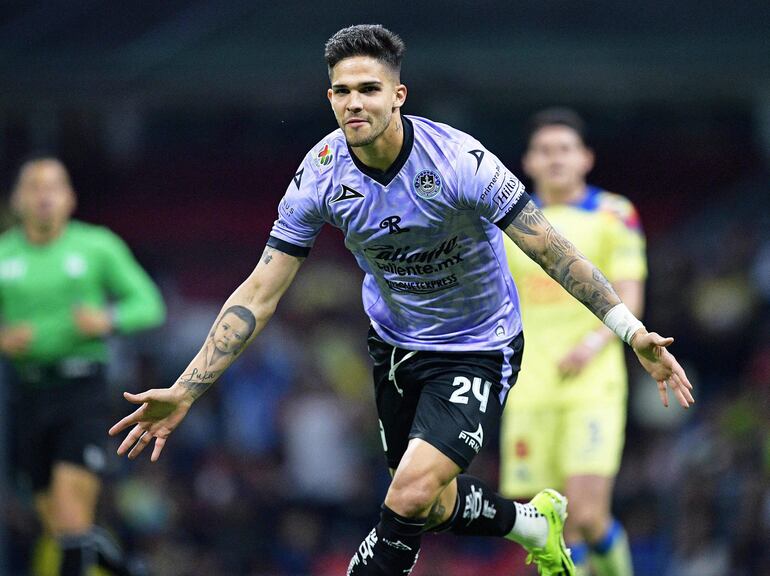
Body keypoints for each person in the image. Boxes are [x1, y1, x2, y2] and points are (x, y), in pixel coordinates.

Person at [109, 25, 693, 576]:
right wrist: (186, 388)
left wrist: (628, 329)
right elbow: (260, 292)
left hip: (479, 346)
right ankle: (533, 525)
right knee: (429, 504)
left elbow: (554, 252)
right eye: (342, 91)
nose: (354, 103)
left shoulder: (461, 163)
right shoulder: (319, 175)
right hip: (395, 346)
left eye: (369, 89)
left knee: (406, 493)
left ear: (398, 95)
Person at [0, 156, 166, 576]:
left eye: (53, 187)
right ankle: (129, 568)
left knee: (73, 521)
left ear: (70, 198)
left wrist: (107, 320)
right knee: (60, 528)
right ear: (17, 200)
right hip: (26, 392)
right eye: (34, 187)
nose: (43, 196)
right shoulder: (5, 256)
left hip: (80, 391)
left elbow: (148, 304)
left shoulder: (96, 246)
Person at [500, 109, 645, 576]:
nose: (555, 158)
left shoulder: (613, 213)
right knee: (550, 527)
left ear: (586, 158)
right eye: (545, 150)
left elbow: (629, 293)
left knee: (586, 514)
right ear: (528, 162)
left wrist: (594, 343)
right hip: (528, 388)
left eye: (565, 149)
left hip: (591, 384)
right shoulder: (510, 224)